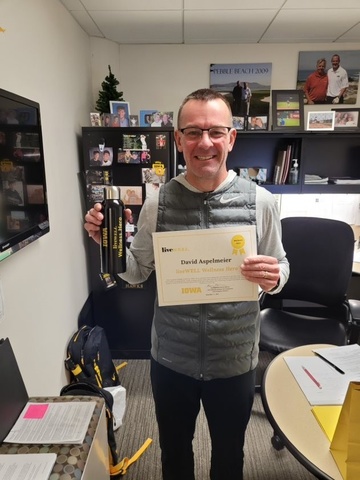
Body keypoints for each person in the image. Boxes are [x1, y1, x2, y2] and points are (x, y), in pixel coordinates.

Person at [84, 88, 289, 480]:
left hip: (234, 360)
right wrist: (105, 245)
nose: (204, 143)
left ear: (231, 138)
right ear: (178, 140)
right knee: (174, 453)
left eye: (215, 132)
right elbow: (137, 271)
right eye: (193, 132)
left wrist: (276, 277)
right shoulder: (157, 204)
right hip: (172, 359)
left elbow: (281, 265)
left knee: (230, 454)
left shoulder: (261, 202)